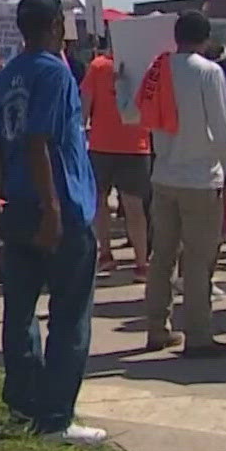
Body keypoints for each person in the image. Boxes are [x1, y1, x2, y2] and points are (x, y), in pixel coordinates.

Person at [0, 0, 106, 445]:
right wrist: (53, 211)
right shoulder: (56, 73)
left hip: (16, 203)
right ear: (55, 26)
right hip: (59, 206)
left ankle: (23, 399)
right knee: (70, 313)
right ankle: (55, 418)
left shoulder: (8, 73)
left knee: (20, 308)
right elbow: (39, 142)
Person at [137, 11, 226, 357]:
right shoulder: (208, 72)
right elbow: (221, 127)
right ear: (206, 38)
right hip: (200, 178)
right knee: (199, 260)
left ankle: (157, 328)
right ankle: (198, 334)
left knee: (162, 257)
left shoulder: (157, 69)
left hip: (164, 174)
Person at [80, 42, 152, 277]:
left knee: (106, 204)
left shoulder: (100, 66)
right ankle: (137, 261)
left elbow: (84, 107)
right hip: (128, 146)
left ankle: (112, 255)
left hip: (114, 145)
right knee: (128, 207)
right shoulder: (142, 66)